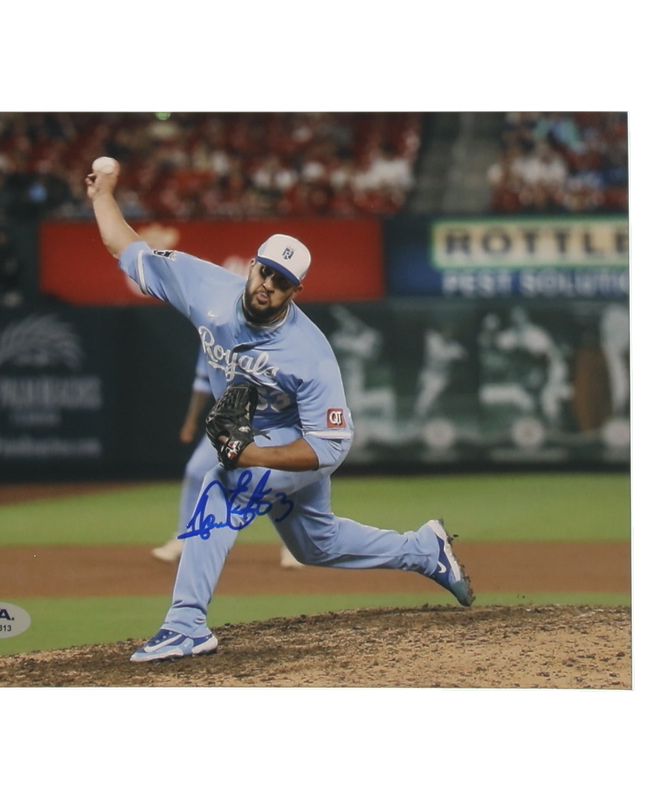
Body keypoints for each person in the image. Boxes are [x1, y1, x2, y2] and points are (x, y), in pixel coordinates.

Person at [85, 159, 474, 663]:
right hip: (256, 435)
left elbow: (330, 446)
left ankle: (185, 624)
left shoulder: (309, 354)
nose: (268, 284)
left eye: (282, 281)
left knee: (223, 483)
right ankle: (422, 550)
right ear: (252, 265)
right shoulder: (206, 287)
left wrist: (251, 456)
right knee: (316, 543)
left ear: (295, 292)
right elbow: (127, 248)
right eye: (265, 271)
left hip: (298, 439)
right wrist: (103, 196)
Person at [151, 349, 303, 569]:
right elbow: (203, 384)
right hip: (231, 421)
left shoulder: (278, 340)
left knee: (277, 479)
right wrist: (191, 420)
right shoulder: (212, 340)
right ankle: (185, 538)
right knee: (196, 471)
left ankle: (294, 545)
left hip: (274, 421)